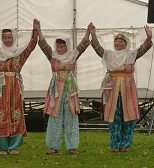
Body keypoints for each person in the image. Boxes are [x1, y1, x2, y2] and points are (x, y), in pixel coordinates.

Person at [0, 14, 38, 155]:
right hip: (2, 86)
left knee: (16, 112)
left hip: (16, 85)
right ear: (2, 39)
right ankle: (2, 147)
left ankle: (14, 146)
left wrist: (35, 30)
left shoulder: (19, 53)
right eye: (5, 38)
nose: (7, 40)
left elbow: (31, 45)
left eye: (10, 37)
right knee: (1, 113)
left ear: (14, 38)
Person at [89, 22, 153, 152]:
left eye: (120, 41)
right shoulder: (109, 54)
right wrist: (93, 35)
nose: (117, 43)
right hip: (112, 89)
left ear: (126, 44)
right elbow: (97, 48)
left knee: (128, 116)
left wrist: (148, 38)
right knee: (114, 116)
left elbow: (143, 48)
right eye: (116, 41)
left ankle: (125, 144)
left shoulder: (132, 54)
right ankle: (115, 144)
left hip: (128, 89)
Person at [33, 19, 90, 154]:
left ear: (67, 47)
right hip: (56, 89)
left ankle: (72, 146)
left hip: (70, 90)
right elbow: (43, 45)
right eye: (57, 46)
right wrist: (39, 30)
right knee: (55, 116)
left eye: (62, 46)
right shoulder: (52, 56)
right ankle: (53, 146)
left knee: (71, 116)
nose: (59, 49)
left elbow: (83, 46)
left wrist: (88, 33)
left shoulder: (72, 56)